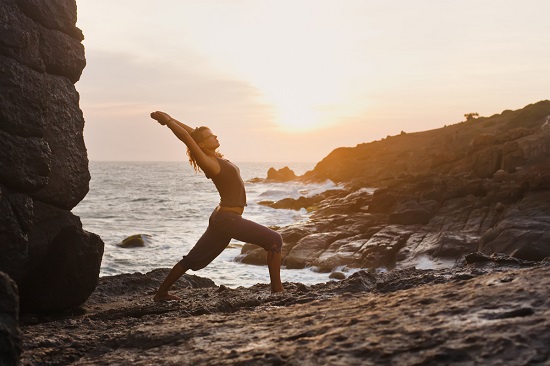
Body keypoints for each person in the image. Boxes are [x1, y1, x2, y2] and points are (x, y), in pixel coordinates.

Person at [150, 111, 284, 301]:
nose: (216, 136)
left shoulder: (214, 156)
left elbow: (194, 134)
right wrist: (169, 122)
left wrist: (169, 118)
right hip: (227, 219)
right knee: (274, 240)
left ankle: (161, 293)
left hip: (221, 218)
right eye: (211, 136)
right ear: (203, 144)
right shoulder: (209, 163)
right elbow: (188, 138)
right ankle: (277, 292)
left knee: (193, 258)